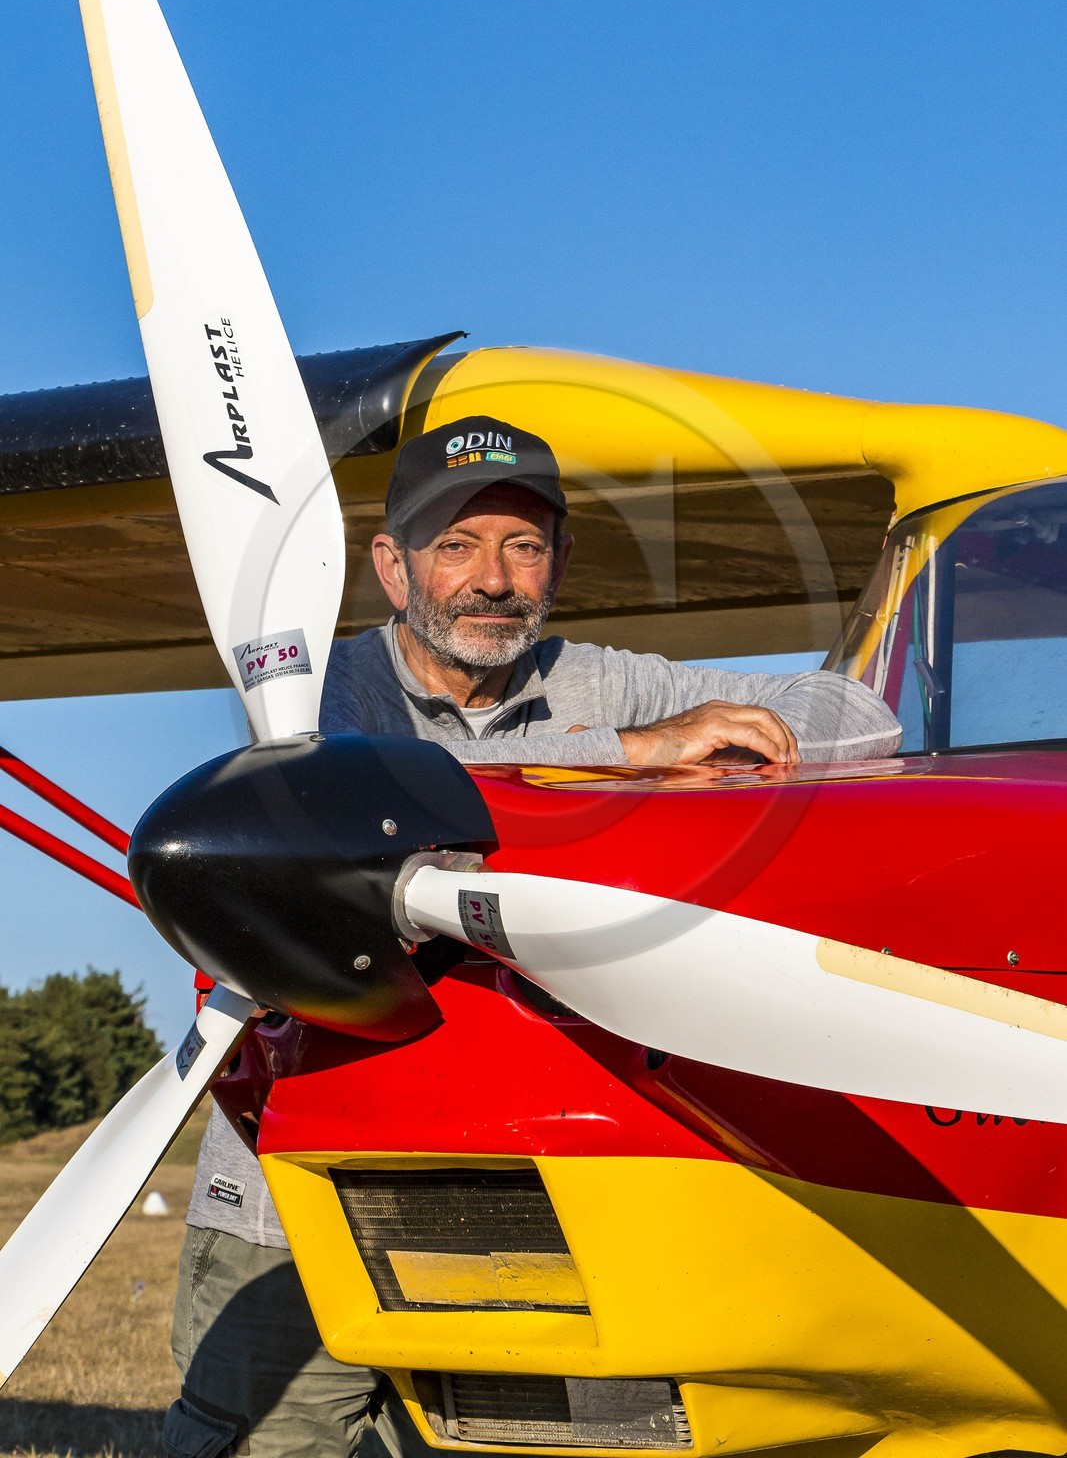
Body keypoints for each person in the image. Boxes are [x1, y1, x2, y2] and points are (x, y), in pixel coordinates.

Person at [165, 416, 901, 1458]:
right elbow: (385, 821)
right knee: (263, 1441)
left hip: (523, 1185)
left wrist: (732, 727)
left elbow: (861, 714)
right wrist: (629, 757)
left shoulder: (599, 674)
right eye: (455, 545)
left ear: (558, 562)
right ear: (390, 565)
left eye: (522, 544)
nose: (492, 579)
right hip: (296, 1176)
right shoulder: (310, 695)